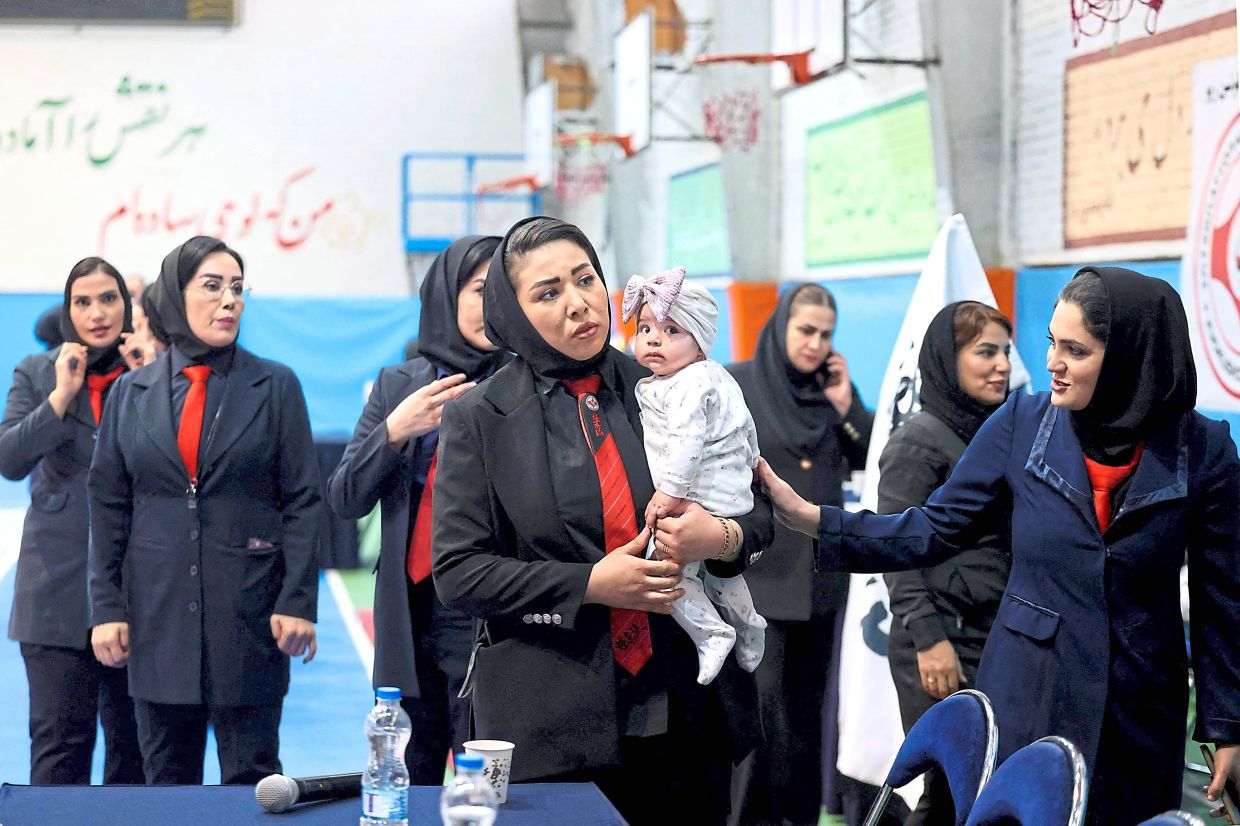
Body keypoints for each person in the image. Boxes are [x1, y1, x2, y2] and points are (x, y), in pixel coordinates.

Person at [757, 267, 1240, 825]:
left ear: (1132, 358)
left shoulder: (1203, 452)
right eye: (1051, 343)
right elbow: (930, 528)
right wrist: (816, 520)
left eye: (1075, 350)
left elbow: (1222, 600)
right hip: (1028, 695)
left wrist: (1227, 727)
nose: (1052, 363)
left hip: (1137, 707)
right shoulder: (1022, 425)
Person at [430, 216, 773, 825]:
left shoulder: (675, 382)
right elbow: (459, 572)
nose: (578, 304)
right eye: (548, 293)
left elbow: (760, 513)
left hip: (685, 707)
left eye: (585, 279)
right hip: (551, 717)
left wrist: (718, 537)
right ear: (511, 311)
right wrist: (589, 584)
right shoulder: (480, 417)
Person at [88, 235, 323, 785]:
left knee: (254, 783)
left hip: (251, 620)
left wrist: (298, 601)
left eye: (238, 288)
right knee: (166, 787)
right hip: (156, 621)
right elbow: (108, 506)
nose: (229, 301)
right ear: (175, 295)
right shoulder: (132, 394)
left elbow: (304, 502)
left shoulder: (275, 385)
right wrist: (106, 607)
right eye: (213, 286)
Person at [327, 235, 508, 783]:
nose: (492, 303)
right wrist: (394, 431)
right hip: (411, 612)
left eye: (503, 289)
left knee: (488, 781)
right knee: (412, 776)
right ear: (446, 297)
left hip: (489, 614)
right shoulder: (398, 385)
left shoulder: (527, 386)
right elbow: (345, 497)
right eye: (479, 290)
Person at [725, 284, 874, 825]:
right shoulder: (738, 385)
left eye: (825, 334)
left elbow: (873, 456)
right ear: (781, 326)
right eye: (805, 330)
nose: (815, 344)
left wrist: (847, 406)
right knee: (762, 721)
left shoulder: (831, 395)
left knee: (809, 721)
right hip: (759, 583)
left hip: (822, 586)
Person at [0, 257, 145, 785]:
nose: (97, 312)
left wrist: (152, 376)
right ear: (67, 310)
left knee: (136, 759)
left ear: (127, 308)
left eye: (108, 299)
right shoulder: (37, 372)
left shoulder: (153, 375)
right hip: (54, 593)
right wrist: (61, 396)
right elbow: (9, 461)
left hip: (138, 593)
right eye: (82, 302)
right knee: (60, 753)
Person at [878, 301, 1013, 825]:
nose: (1001, 364)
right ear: (945, 359)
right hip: (938, 643)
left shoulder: (996, 433)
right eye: (985, 352)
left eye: (1005, 351)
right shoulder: (918, 441)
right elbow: (896, 550)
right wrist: (930, 640)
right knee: (949, 792)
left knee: (978, 791)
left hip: (988, 637)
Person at [622, 267, 765, 685]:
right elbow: (746, 427)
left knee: (666, 572)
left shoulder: (687, 384)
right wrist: (752, 461)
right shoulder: (716, 376)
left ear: (700, 343)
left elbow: (686, 443)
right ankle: (749, 625)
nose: (653, 339)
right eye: (645, 327)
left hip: (696, 497)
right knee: (723, 575)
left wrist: (668, 493)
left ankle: (711, 634)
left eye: (671, 331)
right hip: (729, 496)